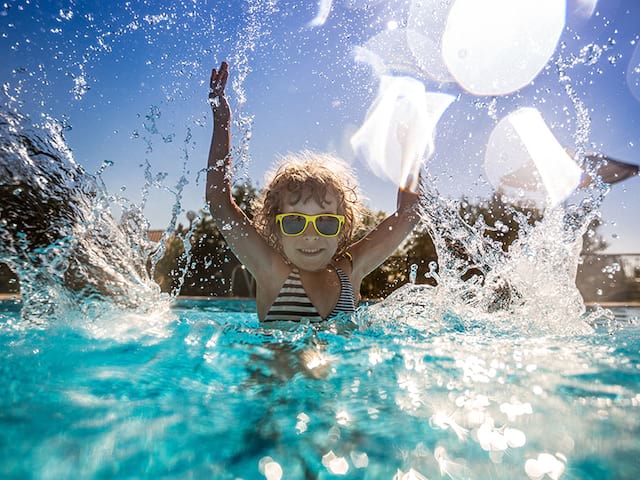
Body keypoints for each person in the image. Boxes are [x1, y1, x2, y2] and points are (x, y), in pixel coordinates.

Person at [206, 61, 422, 324]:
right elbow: (220, 204)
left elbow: (408, 216)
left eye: (327, 223)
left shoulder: (350, 271)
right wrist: (221, 122)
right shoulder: (271, 270)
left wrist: (411, 147)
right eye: (295, 221)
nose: (311, 235)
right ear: (277, 226)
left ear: (344, 227)